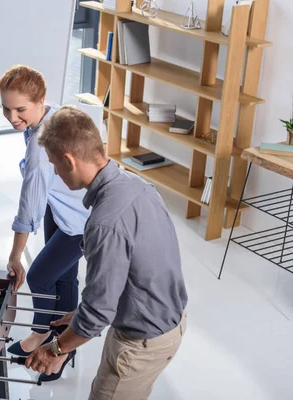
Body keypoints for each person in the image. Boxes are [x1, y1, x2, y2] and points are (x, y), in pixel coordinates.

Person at [25, 106, 188, 399]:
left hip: (141, 342)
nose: (57, 175)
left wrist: (55, 349)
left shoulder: (104, 223)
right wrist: (78, 315)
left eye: (55, 166)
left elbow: (99, 312)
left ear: (69, 160)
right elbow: (138, 272)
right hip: (166, 323)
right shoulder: (139, 186)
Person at [0, 66, 89, 378]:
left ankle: (42, 335)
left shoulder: (40, 146)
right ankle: (62, 348)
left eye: (20, 109)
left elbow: (28, 206)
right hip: (60, 208)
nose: (12, 117)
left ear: (40, 102)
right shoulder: (54, 113)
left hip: (80, 220)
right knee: (64, 279)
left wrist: (14, 255)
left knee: (38, 277)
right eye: (6, 108)